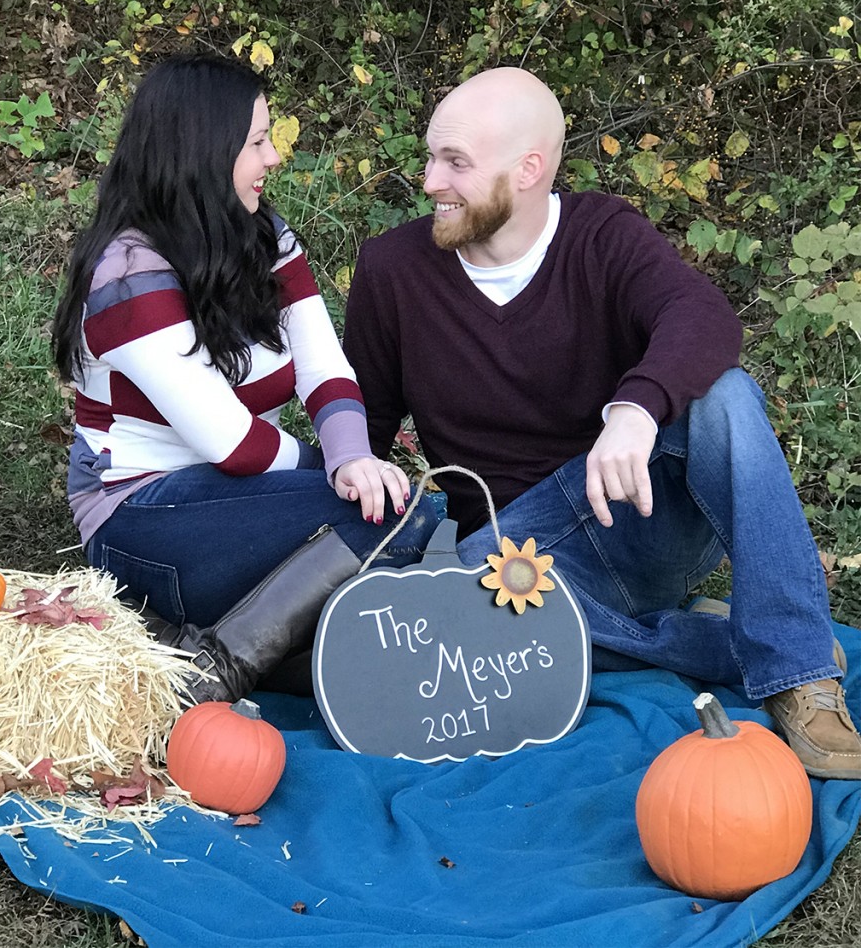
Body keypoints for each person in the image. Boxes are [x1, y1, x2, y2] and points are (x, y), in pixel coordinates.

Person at [342, 67, 860, 779]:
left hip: (636, 511)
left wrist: (635, 408)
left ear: (529, 169)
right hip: (512, 561)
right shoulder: (392, 268)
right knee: (445, 619)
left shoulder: (601, 233)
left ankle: (800, 676)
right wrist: (344, 479)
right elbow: (363, 422)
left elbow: (700, 316)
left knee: (726, 397)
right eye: (431, 157)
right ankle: (739, 643)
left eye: (455, 162)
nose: (430, 180)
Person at [51, 52, 436, 705]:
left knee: (403, 518)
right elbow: (232, 443)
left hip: (236, 501)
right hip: (139, 518)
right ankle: (207, 674)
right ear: (205, 147)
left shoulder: (265, 236)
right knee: (401, 518)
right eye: (257, 141)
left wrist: (353, 457)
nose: (273, 158)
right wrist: (337, 475)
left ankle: (190, 646)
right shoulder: (129, 271)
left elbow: (323, 368)